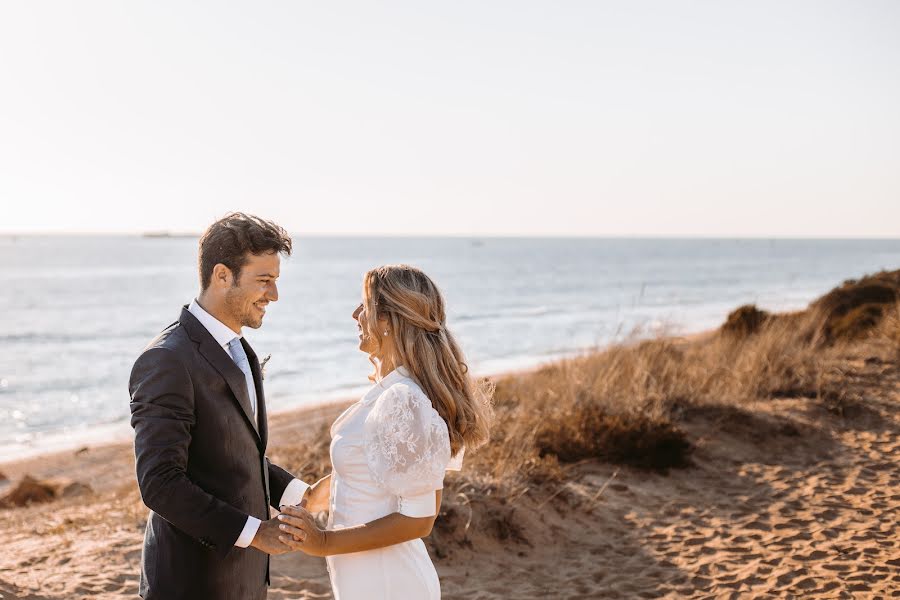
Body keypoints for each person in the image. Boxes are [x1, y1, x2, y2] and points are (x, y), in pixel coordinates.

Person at [277, 264, 493, 599]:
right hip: (364, 577)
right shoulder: (393, 390)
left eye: (365, 306)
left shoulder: (404, 399)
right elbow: (362, 472)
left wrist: (323, 542)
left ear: (389, 321)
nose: (355, 314)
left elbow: (420, 519)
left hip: (388, 581)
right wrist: (300, 501)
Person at [129, 213, 311, 600]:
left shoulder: (241, 350)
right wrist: (256, 532)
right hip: (191, 583)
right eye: (264, 280)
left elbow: (233, 454)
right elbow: (159, 484)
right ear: (222, 275)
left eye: (275, 281)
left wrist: (299, 494)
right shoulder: (167, 360)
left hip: (244, 582)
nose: (274, 295)